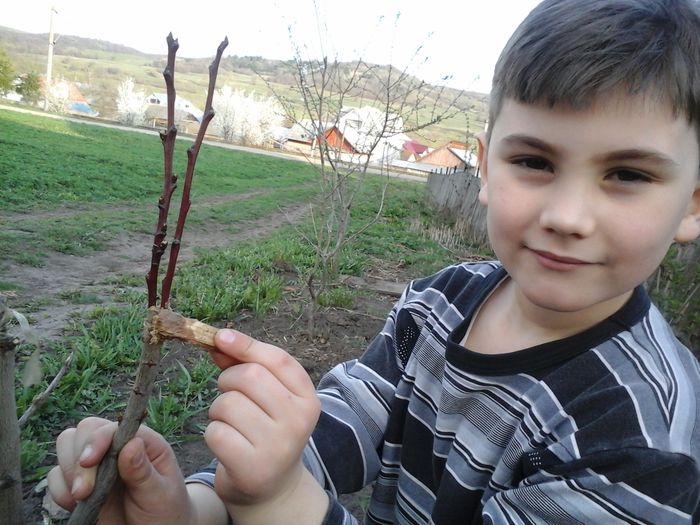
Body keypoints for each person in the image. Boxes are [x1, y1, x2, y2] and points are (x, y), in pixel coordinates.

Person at [48, 0, 700, 522]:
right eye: (534, 161)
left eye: (628, 174)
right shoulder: (439, 304)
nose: (568, 214)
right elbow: (347, 419)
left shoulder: (644, 445)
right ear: (484, 163)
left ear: (692, 204)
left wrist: (282, 505)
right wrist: (197, 506)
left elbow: (283, 497)